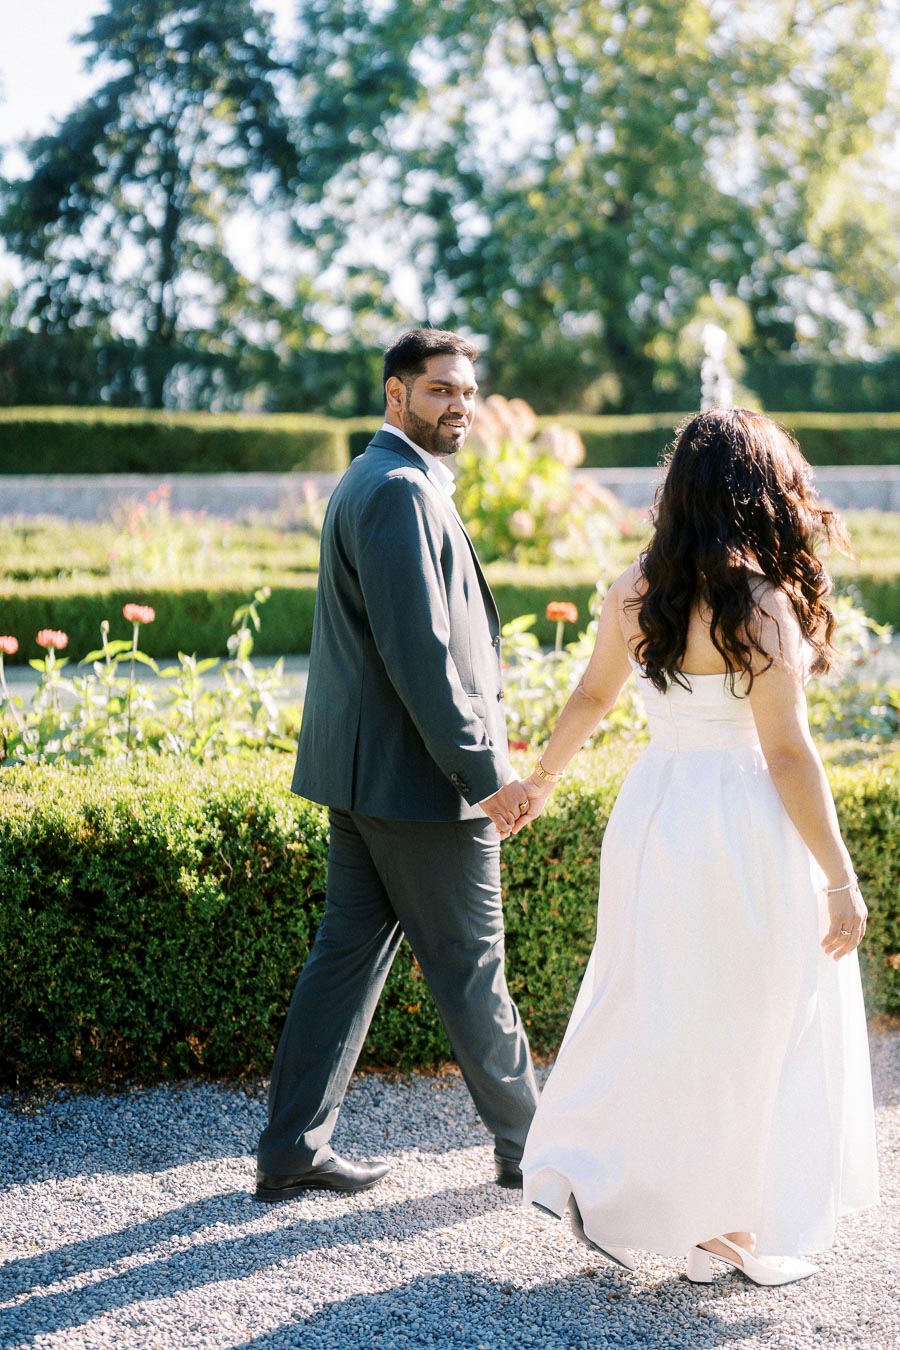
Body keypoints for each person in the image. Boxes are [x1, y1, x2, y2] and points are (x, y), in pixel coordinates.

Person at [517, 408, 880, 1283]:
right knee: (759, 1015)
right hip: (742, 820)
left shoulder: (632, 588)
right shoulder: (759, 604)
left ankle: (693, 1216)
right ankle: (732, 1230)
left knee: (664, 1005)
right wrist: (840, 877)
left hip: (655, 814)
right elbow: (789, 755)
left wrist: (542, 781)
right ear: (763, 490)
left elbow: (592, 700)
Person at [255, 328, 540, 1201]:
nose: (459, 404)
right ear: (396, 396)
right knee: (473, 965)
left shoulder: (384, 481)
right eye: (439, 389)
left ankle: (291, 1149)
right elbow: (419, 654)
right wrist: (484, 775)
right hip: (418, 787)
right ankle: (541, 1148)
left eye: (467, 389)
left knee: (344, 958)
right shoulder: (398, 491)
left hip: (370, 778)